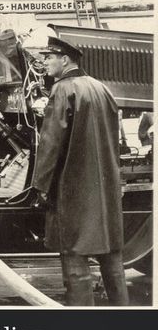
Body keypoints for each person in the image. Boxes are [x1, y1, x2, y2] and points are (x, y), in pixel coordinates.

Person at [32, 36, 129, 306]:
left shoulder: (63, 89)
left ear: (65, 60)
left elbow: (50, 142)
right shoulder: (101, 88)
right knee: (112, 259)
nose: (45, 62)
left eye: (49, 57)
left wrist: (39, 186)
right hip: (104, 188)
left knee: (75, 259)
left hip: (73, 190)